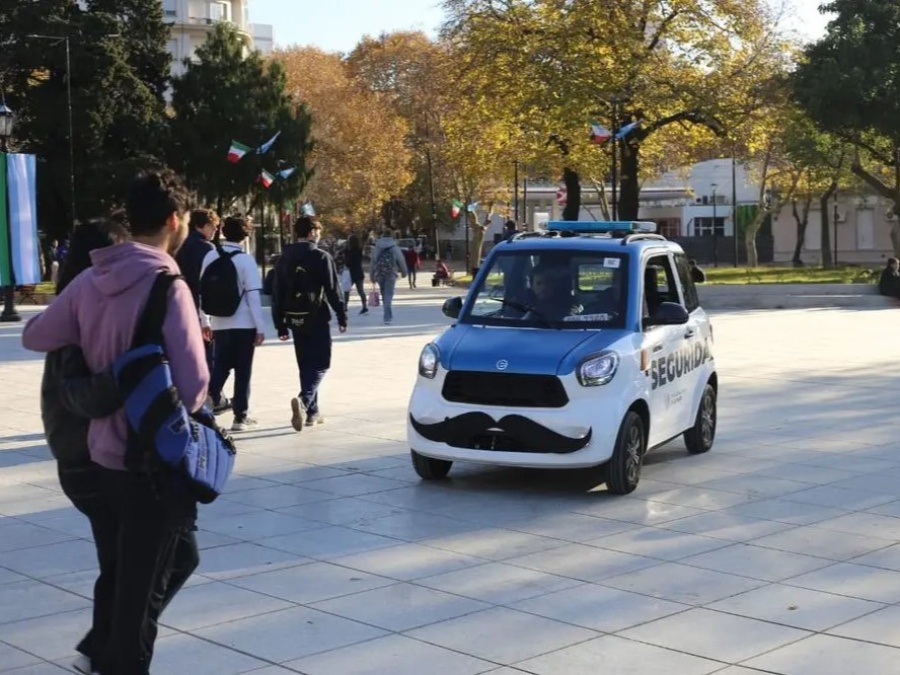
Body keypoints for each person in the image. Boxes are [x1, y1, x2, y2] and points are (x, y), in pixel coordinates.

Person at [22, 170, 208, 675]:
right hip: (152, 461)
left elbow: (35, 335)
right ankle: (114, 658)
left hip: (103, 455)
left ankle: (102, 651)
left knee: (130, 577)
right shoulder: (168, 283)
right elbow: (192, 390)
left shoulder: (88, 278)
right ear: (175, 220)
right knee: (138, 598)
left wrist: (95, 354)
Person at [272, 216, 348, 431]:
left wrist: (280, 324)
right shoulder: (320, 256)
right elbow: (333, 289)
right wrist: (342, 316)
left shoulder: (283, 258)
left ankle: (312, 413)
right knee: (322, 363)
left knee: (305, 364)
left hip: (294, 317)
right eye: (318, 230)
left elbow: (277, 292)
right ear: (313, 232)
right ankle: (305, 400)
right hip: (316, 316)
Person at [200, 215, 266, 432]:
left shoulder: (210, 256)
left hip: (219, 322)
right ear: (245, 235)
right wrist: (261, 327)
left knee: (221, 365)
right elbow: (253, 296)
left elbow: (202, 292)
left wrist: (205, 321)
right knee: (243, 369)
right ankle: (240, 416)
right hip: (244, 322)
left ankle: (208, 399)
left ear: (223, 232)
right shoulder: (245, 260)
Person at [176, 208, 219, 375]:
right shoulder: (207, 249)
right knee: (206, 355)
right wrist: (205, 319)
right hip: (199, 307)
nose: (215, 231)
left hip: (180, 304)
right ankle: (209, 394)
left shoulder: (179, 245)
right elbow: (204, 284)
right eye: (213, 227)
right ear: (203, 226)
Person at [370, 229, 408, 325]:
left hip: (379, 274)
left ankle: (387, 315)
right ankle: (387, 317)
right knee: (388, 295)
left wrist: (372, 275)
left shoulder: (377, 247)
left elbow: (373, 262)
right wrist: (404, 272)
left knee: (384, 294)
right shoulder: (394, 247)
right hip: (391, 274)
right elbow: (401, 260)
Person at [345, 233, 368, 314]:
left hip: (350, 273)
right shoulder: (359, 250)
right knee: (361, 291)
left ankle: (345, 306)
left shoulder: (349, 251)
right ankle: (364, 306)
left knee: (346, 290)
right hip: (359, 272)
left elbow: (348, 262)